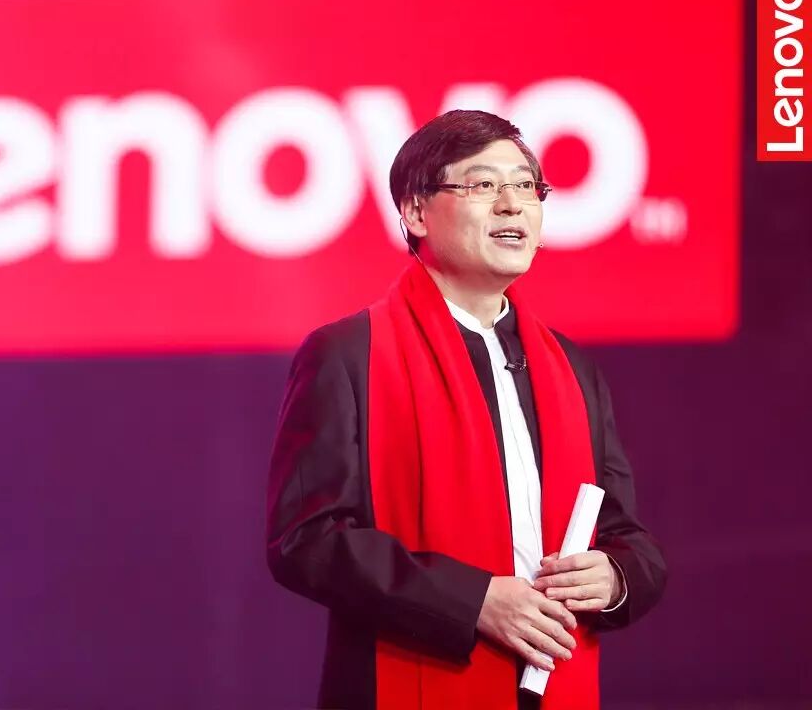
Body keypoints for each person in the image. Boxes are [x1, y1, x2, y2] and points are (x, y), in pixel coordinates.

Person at [265, 110, 667, 709]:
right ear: (416, 213)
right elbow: (307, 540)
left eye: (526, 186)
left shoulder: (570, 367)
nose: (512, 205)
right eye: (483, 185)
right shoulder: (349, 355)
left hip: (550, 681)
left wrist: (613, 578)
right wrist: (473, 601)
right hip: (415, 673)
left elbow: (628, 537)